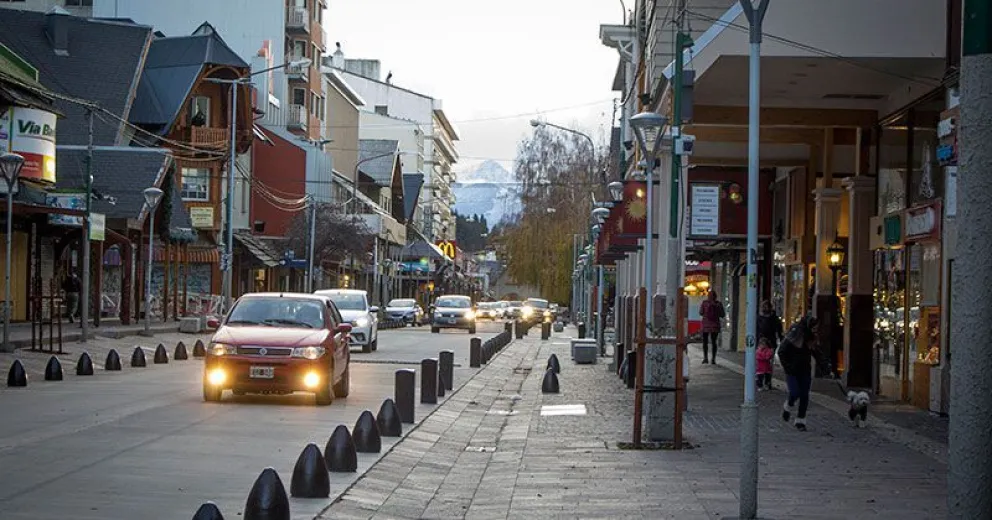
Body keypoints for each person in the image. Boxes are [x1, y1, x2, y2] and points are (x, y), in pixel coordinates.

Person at [776, 315, 825, 431]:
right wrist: (787, 367)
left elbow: (817, 353)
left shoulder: (811, 337)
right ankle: (788, 405)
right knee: (794, 392)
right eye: (814, 327)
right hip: (792, 370)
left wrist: (825, 366)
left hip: (805, 369)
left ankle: (800, 421)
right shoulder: (794, 333)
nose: (816, 330)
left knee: (804, 395)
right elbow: (782, 351)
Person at [698, 291, 725, 364]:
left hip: (706, 325)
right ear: (715, 296)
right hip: (715, 326)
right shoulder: (718, 304)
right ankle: (713, 359)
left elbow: (700, 312)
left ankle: (705, 358)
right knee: (714, 342)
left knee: (705, 342)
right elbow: (722, 315)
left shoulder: (704, 303)